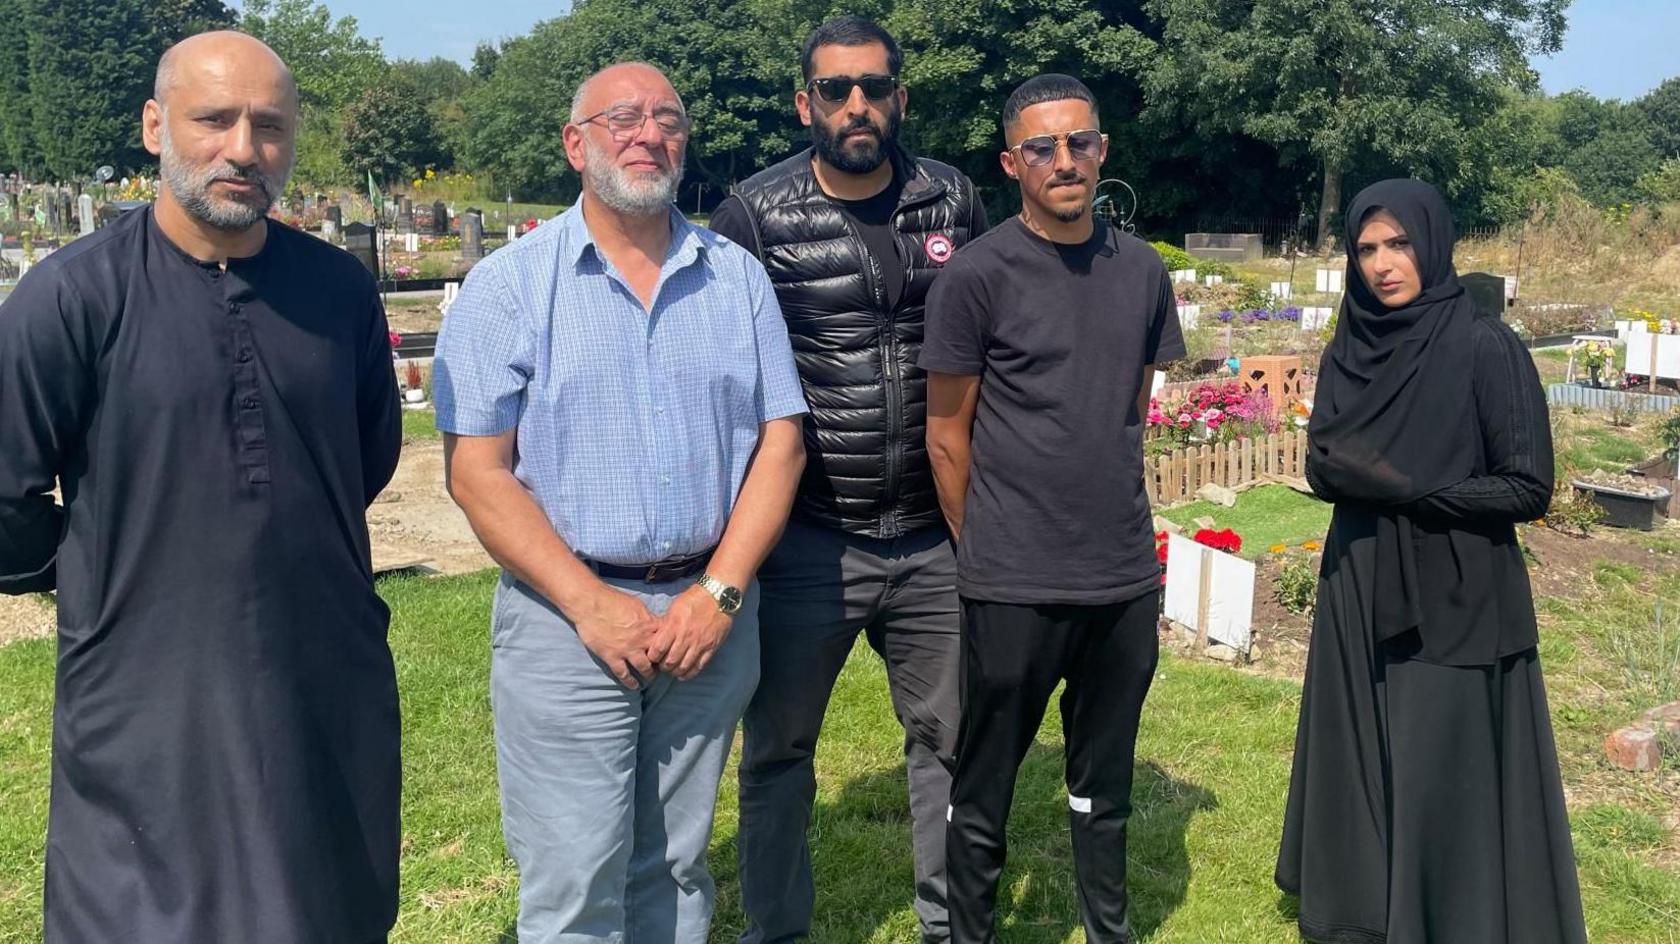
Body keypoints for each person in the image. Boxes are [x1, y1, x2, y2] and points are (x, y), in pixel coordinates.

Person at [0, 32, 402, 944]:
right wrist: (106, 566)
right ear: (155, 125)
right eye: (213, 119)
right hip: (145, 688)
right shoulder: (71, 300)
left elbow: (363, 455)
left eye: (269, 126)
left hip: (321, 670)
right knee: (146, 909)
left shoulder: (338, 291)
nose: (242, 149)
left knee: (327, 899)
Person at [432, 62, 807, 943]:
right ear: (576, 144)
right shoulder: (510, 287)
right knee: (574, 876)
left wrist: (719, 593)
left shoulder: (737, 280)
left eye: (668, 120)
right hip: (566, 620)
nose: (649, 135)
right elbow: (478, 473)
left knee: (676, 866)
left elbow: (780, 446)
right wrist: (589, 603)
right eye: (624, 119)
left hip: (704, 614)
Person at [708, 16, 988, 944]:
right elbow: (723, 366)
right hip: (808, 541)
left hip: (932, 533)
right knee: (780, 752)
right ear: (806, 103)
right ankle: (776, 930)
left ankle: (948, 925)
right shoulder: (754, 212)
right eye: (837, 89)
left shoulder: (952, 200)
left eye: (875, 85)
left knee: (949, 742)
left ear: (901, 96)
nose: (857, 105)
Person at [1275, 179, 1587, 943]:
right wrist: (1364, 479)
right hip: (1359, 575)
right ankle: (1361, 908)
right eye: (1367, 249)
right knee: (1361, 746)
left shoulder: (1486, 346)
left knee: (1439, 755)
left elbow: (1526, 484)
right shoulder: (1349, 346)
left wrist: (1408, 489)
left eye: (1399, 244)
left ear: (1433, 243)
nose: (1383, 264)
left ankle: (1449, 914)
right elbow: (1325, 463)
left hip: (1454, 585)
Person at [921, 74, 1185, 944]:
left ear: (1103, 151)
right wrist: (990, 542)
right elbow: (947, 437)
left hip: (1118, 575)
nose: (1064, 161)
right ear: (1012, 162)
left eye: (1080, 143)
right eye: (1043, 147)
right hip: (1013, 579)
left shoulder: (1143, 272)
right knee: (985, 784)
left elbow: (1127, 411)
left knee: (1103, 785)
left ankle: (1109, 931)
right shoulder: (976, 276)